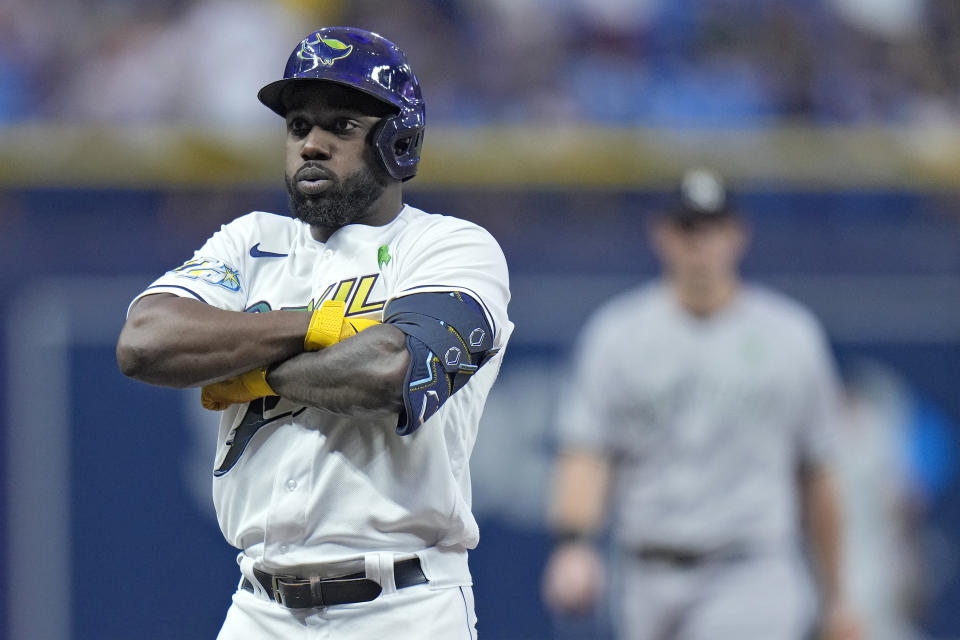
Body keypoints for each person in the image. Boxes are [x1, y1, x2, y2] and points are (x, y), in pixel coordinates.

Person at [116, 27, 512, 639]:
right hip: (258, 606)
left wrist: (242, 369)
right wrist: (317, 326)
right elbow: (144, 343)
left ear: (398, 141)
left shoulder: (450, 246)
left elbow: (387, 374)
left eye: (342, 127)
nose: (312, 145)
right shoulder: (250, 241)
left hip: (404, 605)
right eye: (299, 126)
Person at [540, 168, 860, 640]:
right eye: (688, 228)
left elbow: (818, 473)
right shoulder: (618, 334)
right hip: (645, 571)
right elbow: (587, 449)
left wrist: (836, 599)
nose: (701, 243)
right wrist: (574, 543)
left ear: (738, 234)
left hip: (751, 568)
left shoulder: (791, 336)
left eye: (714, 227)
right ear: (662, 235)